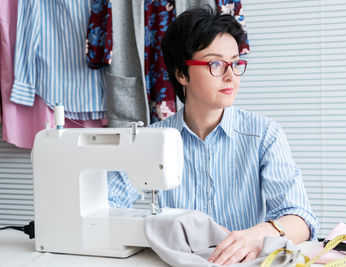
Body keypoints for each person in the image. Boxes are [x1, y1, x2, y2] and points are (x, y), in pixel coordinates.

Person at [108, 6, 319, 265]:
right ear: (181, 73)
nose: (231, 76)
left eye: (235, 63)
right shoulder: (150, 141)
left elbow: (301, 218)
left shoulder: (264, 135)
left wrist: (253, 237)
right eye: (216, 64)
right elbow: (106, 207)